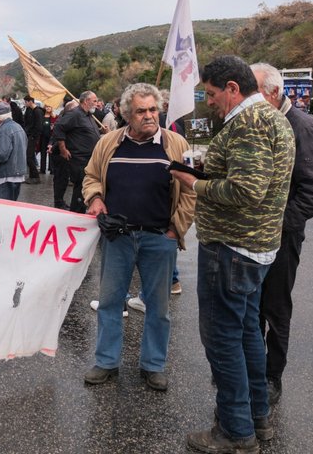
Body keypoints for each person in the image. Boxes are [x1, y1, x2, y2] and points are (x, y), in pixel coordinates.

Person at [169, 55, 294, 453]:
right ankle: (257, 417)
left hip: (232, 249)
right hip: (254, 248)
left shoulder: (248, 123)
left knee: (223, 338)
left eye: (211, 93)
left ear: (233, 88)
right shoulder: (272, 118)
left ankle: (236, 432)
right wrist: (210, 169)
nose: (209, 102)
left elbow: (246, 191)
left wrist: (193, 183)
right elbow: (253, 179)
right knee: (246, 334)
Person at [81, 83, 195, 392]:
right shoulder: (109, 143)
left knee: (158, 308)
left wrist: (175, 230)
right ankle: (106, 361)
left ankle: (153, 365)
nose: (149, 116)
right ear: (127, 114)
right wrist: (95, 198)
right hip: (117, 237)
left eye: (153, 110)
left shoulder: (176, 144)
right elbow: (91, 177)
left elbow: (190, 190)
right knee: (109, 302)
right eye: (141, 111)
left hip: (159, 238)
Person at [251, 63, 313, 405]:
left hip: (282, 235)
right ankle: (253, 370)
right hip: (252, 235)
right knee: (251, 306)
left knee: (275, 306)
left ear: (273, 92)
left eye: (254, 91)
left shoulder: (301, 124)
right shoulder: (259, 121)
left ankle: (272, 376)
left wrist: (279, 223)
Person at [52, 91, 101, 212]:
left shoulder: (88, 115)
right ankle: (76, 214)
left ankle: (79, 211)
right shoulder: (75, 114)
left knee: (83, 188)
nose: (97, 103)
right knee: (80, 188)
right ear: (86, 101)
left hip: (89, 159)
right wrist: (63, 149)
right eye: (94, 101)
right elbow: (59, 127)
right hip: (79, 159)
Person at [0, 103, 27, 200]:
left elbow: (2, 154)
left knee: (2, 206)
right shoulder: (18, 127)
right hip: (17, 173)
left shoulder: (4, 130)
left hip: (6, 175)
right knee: (11, 204)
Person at [50, 99, 78, 209]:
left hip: (63, 153)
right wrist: (55, 146)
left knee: (64, 179)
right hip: (60, 154)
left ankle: (60, 200)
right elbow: (58, 135)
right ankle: (58, 202)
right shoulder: (64, 120)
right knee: (60, 179)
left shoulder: (66, 119)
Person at [22, 95, 43, 184]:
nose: (24, 104)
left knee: (29, 157)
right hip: (28, 135)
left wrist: (34, 136)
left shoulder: (38, 111)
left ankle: (36, 176)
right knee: (30, 156)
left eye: (25, 102)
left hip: (33, 137)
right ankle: (32, 176)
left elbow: (39, 126)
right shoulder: (29, 110)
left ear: (30, 101)